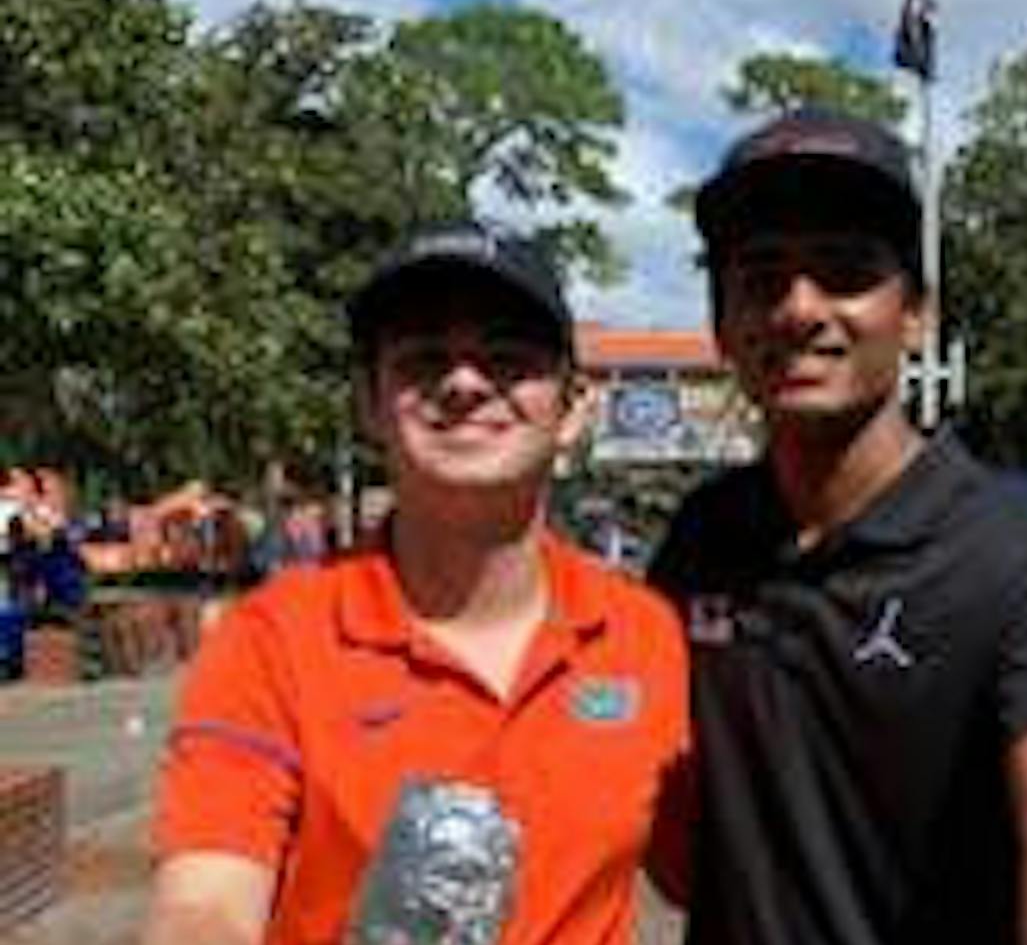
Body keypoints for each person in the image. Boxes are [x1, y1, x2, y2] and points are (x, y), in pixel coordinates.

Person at [648, 108, 1027, 945]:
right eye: (762, 276)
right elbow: (677, 857)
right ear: (722, 325)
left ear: (917, 314)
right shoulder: (703, 534)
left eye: (845, 271)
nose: (800, 307)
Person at [143, 220, 689, 945]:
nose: (464, 382)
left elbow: (710, 869)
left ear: (573, 410)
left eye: (508, 357)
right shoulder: (272, 637)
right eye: (423, 358)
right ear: (370, 404)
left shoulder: (647, 635)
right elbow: (205, 903)